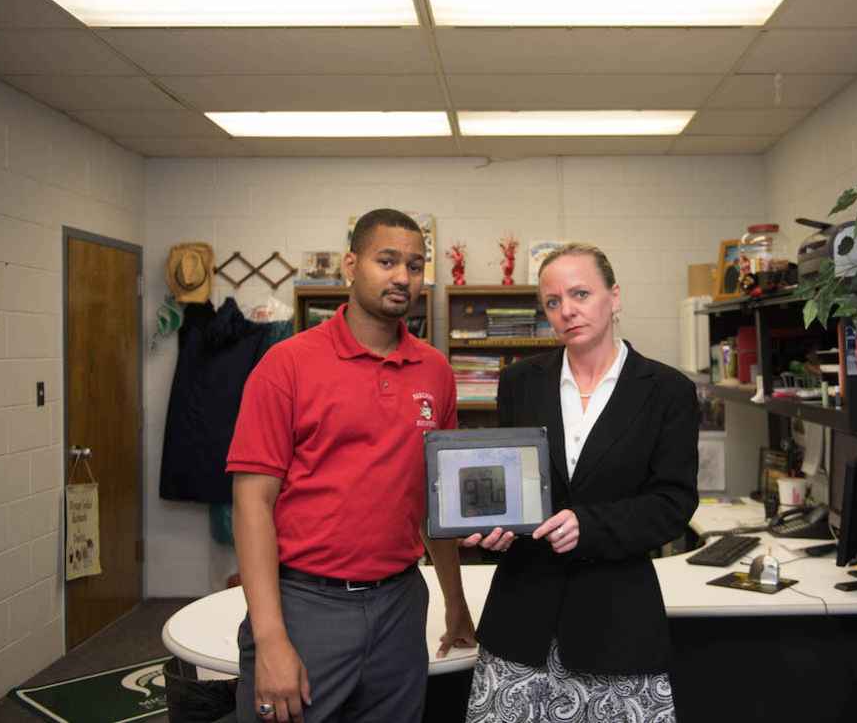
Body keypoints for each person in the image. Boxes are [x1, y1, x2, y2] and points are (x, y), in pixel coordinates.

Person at [227, 209, 476, 723]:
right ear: (351, 265)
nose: (402, 277)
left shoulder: (436, 371)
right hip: (305, 603)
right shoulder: (286, 365)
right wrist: (271, 637)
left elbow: (437, 500)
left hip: (401, 603)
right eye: (386, 261)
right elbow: (252, 504)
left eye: (414, 264)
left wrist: (454, 600)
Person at [462, 243, 699, 722]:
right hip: (522, 619)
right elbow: (513, 485)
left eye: (580, 293)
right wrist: (495, 528)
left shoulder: (667, 390)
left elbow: (673, 502)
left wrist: (588, 526)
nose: (567, 310)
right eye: (553, 302)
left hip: (616, 623)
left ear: (614, 297)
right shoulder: (519, 382)